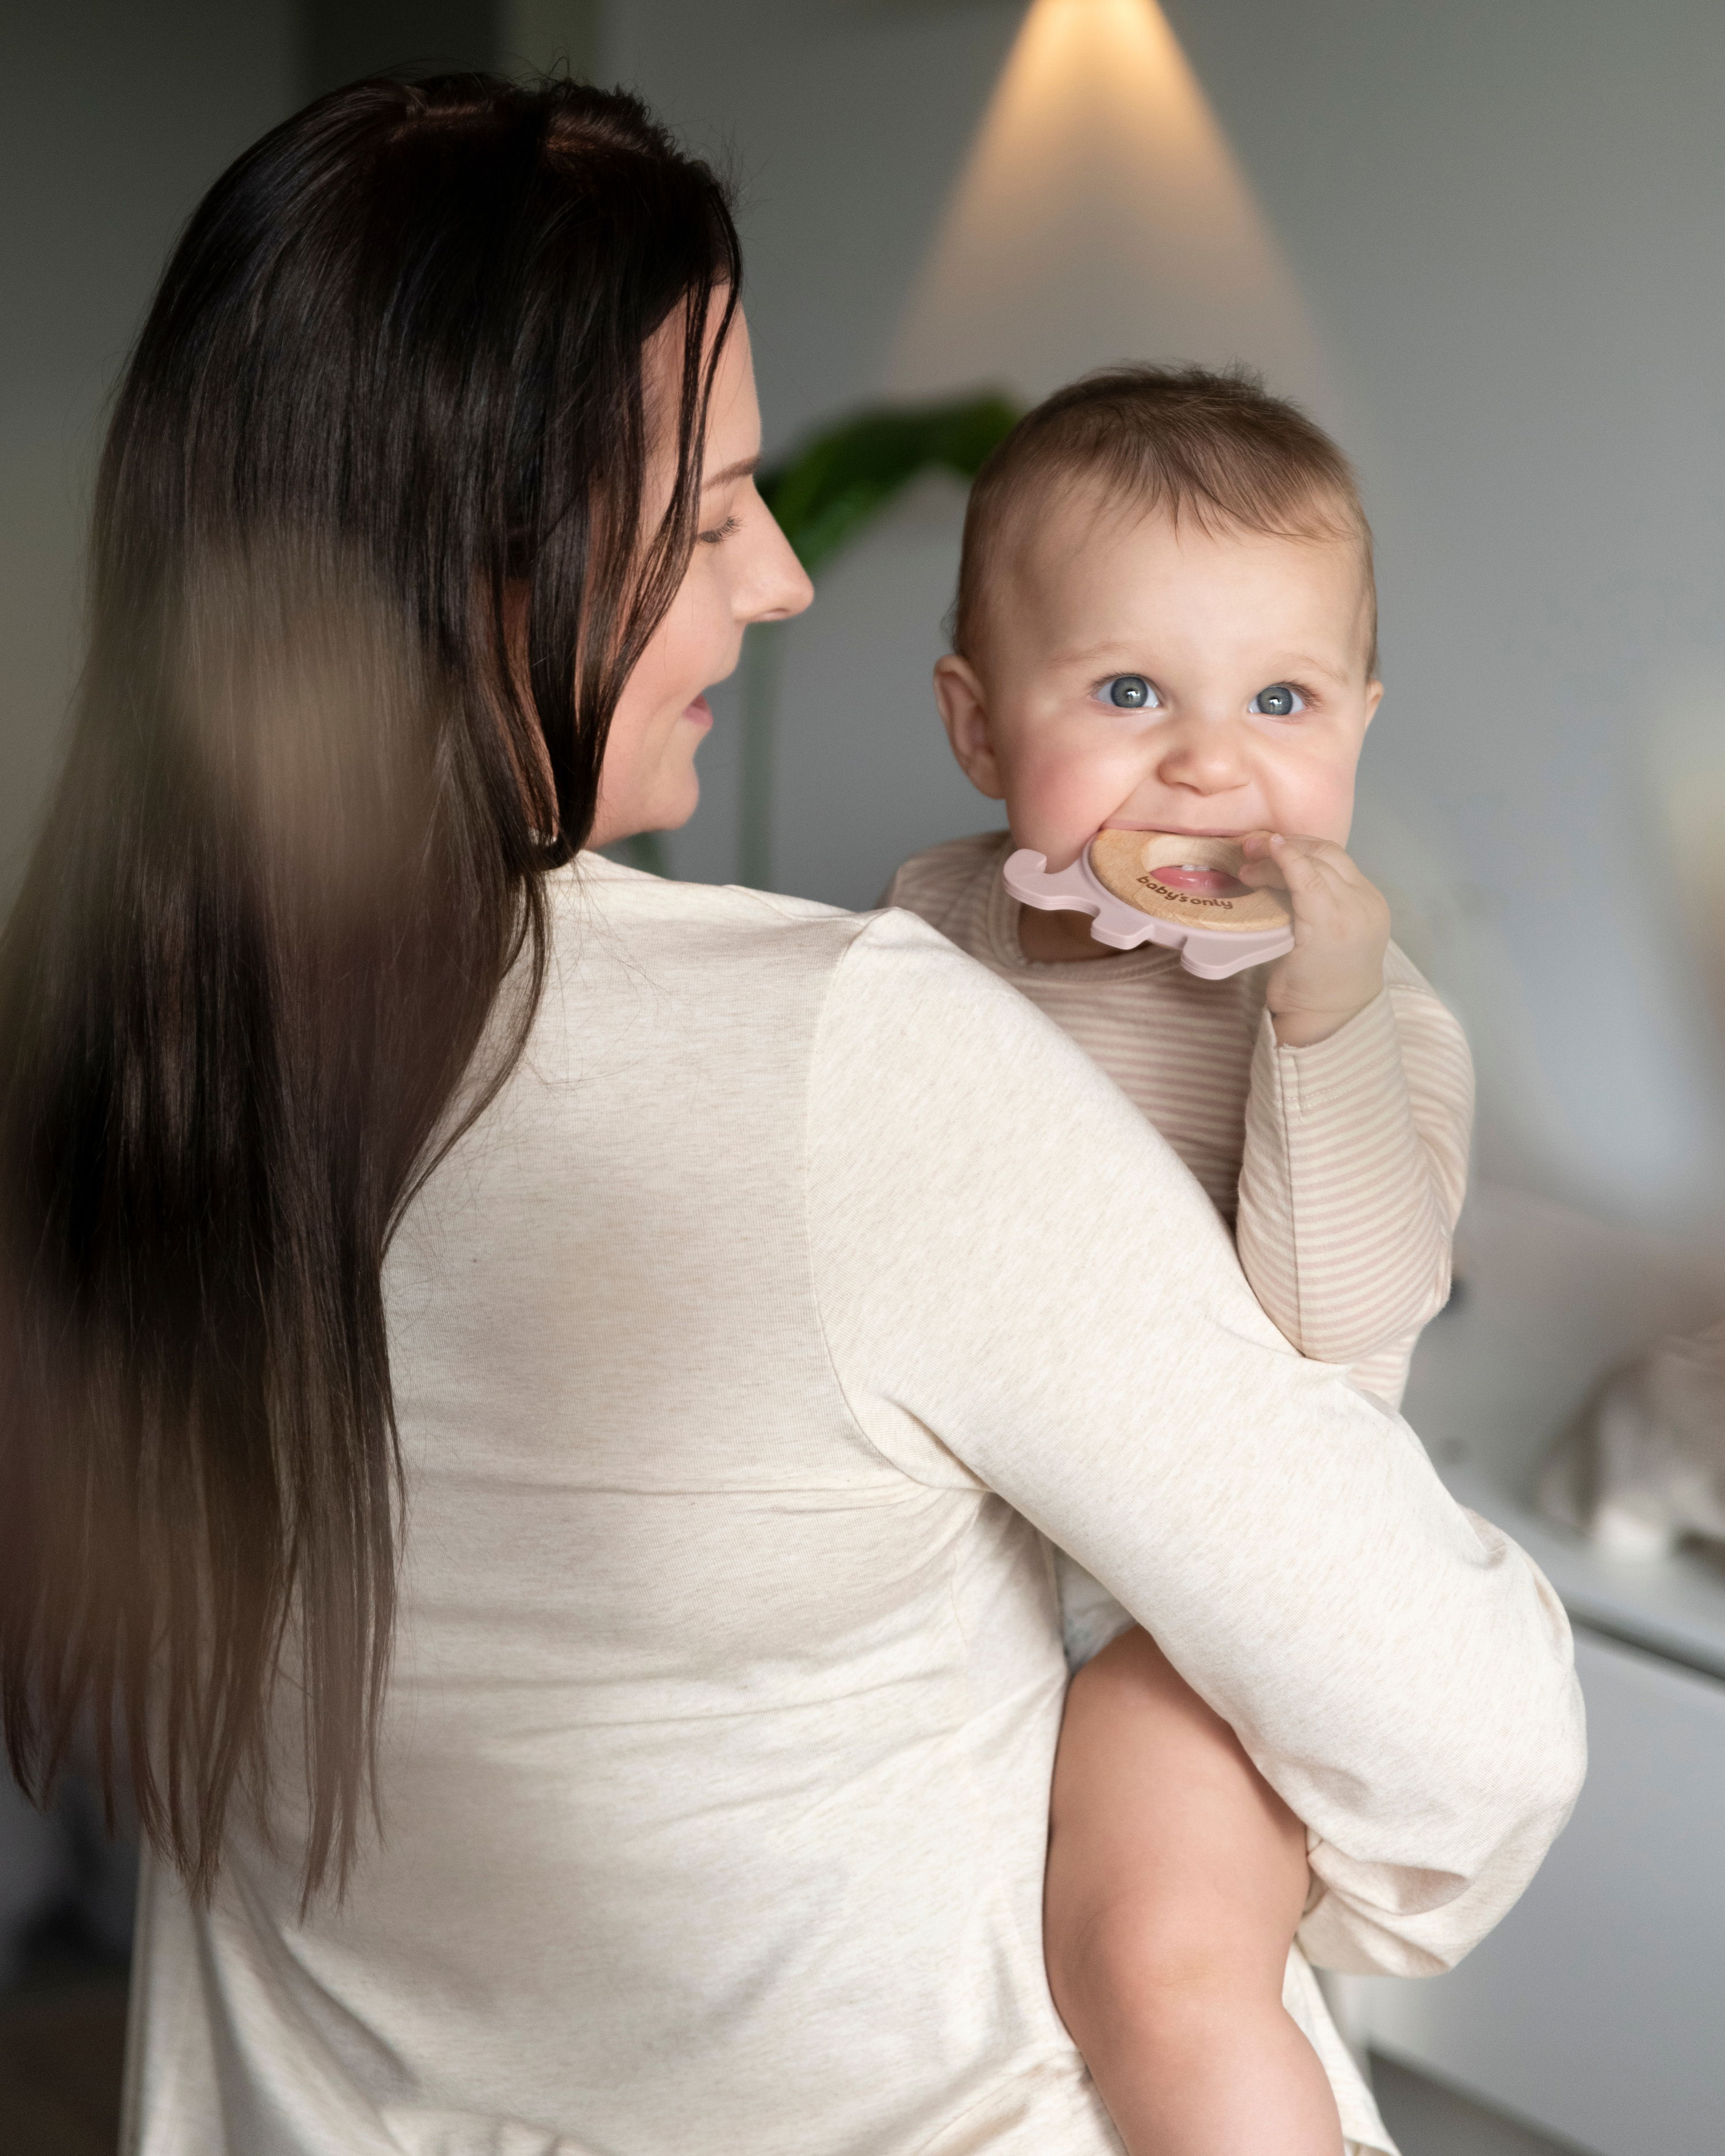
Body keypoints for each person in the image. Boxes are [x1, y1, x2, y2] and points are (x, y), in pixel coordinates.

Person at [0, 78, 1581, 2156]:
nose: (779, 579)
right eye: (709, 510)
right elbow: (1460, 1726)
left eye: (1282, 700)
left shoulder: (112, 1057)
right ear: (490, 550)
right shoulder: (864, 1047)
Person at [885, 369, 1471, 2153]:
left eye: (1282, 699)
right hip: (947, 1532)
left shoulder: (1386, 1023)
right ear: (981, 729)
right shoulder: (925, 939)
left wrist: (1324, 1021)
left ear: (1362, 722)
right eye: (1131, 691)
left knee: (1162, 1952)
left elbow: (1339, 1314)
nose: (1211, 759)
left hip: (1199, 1605)